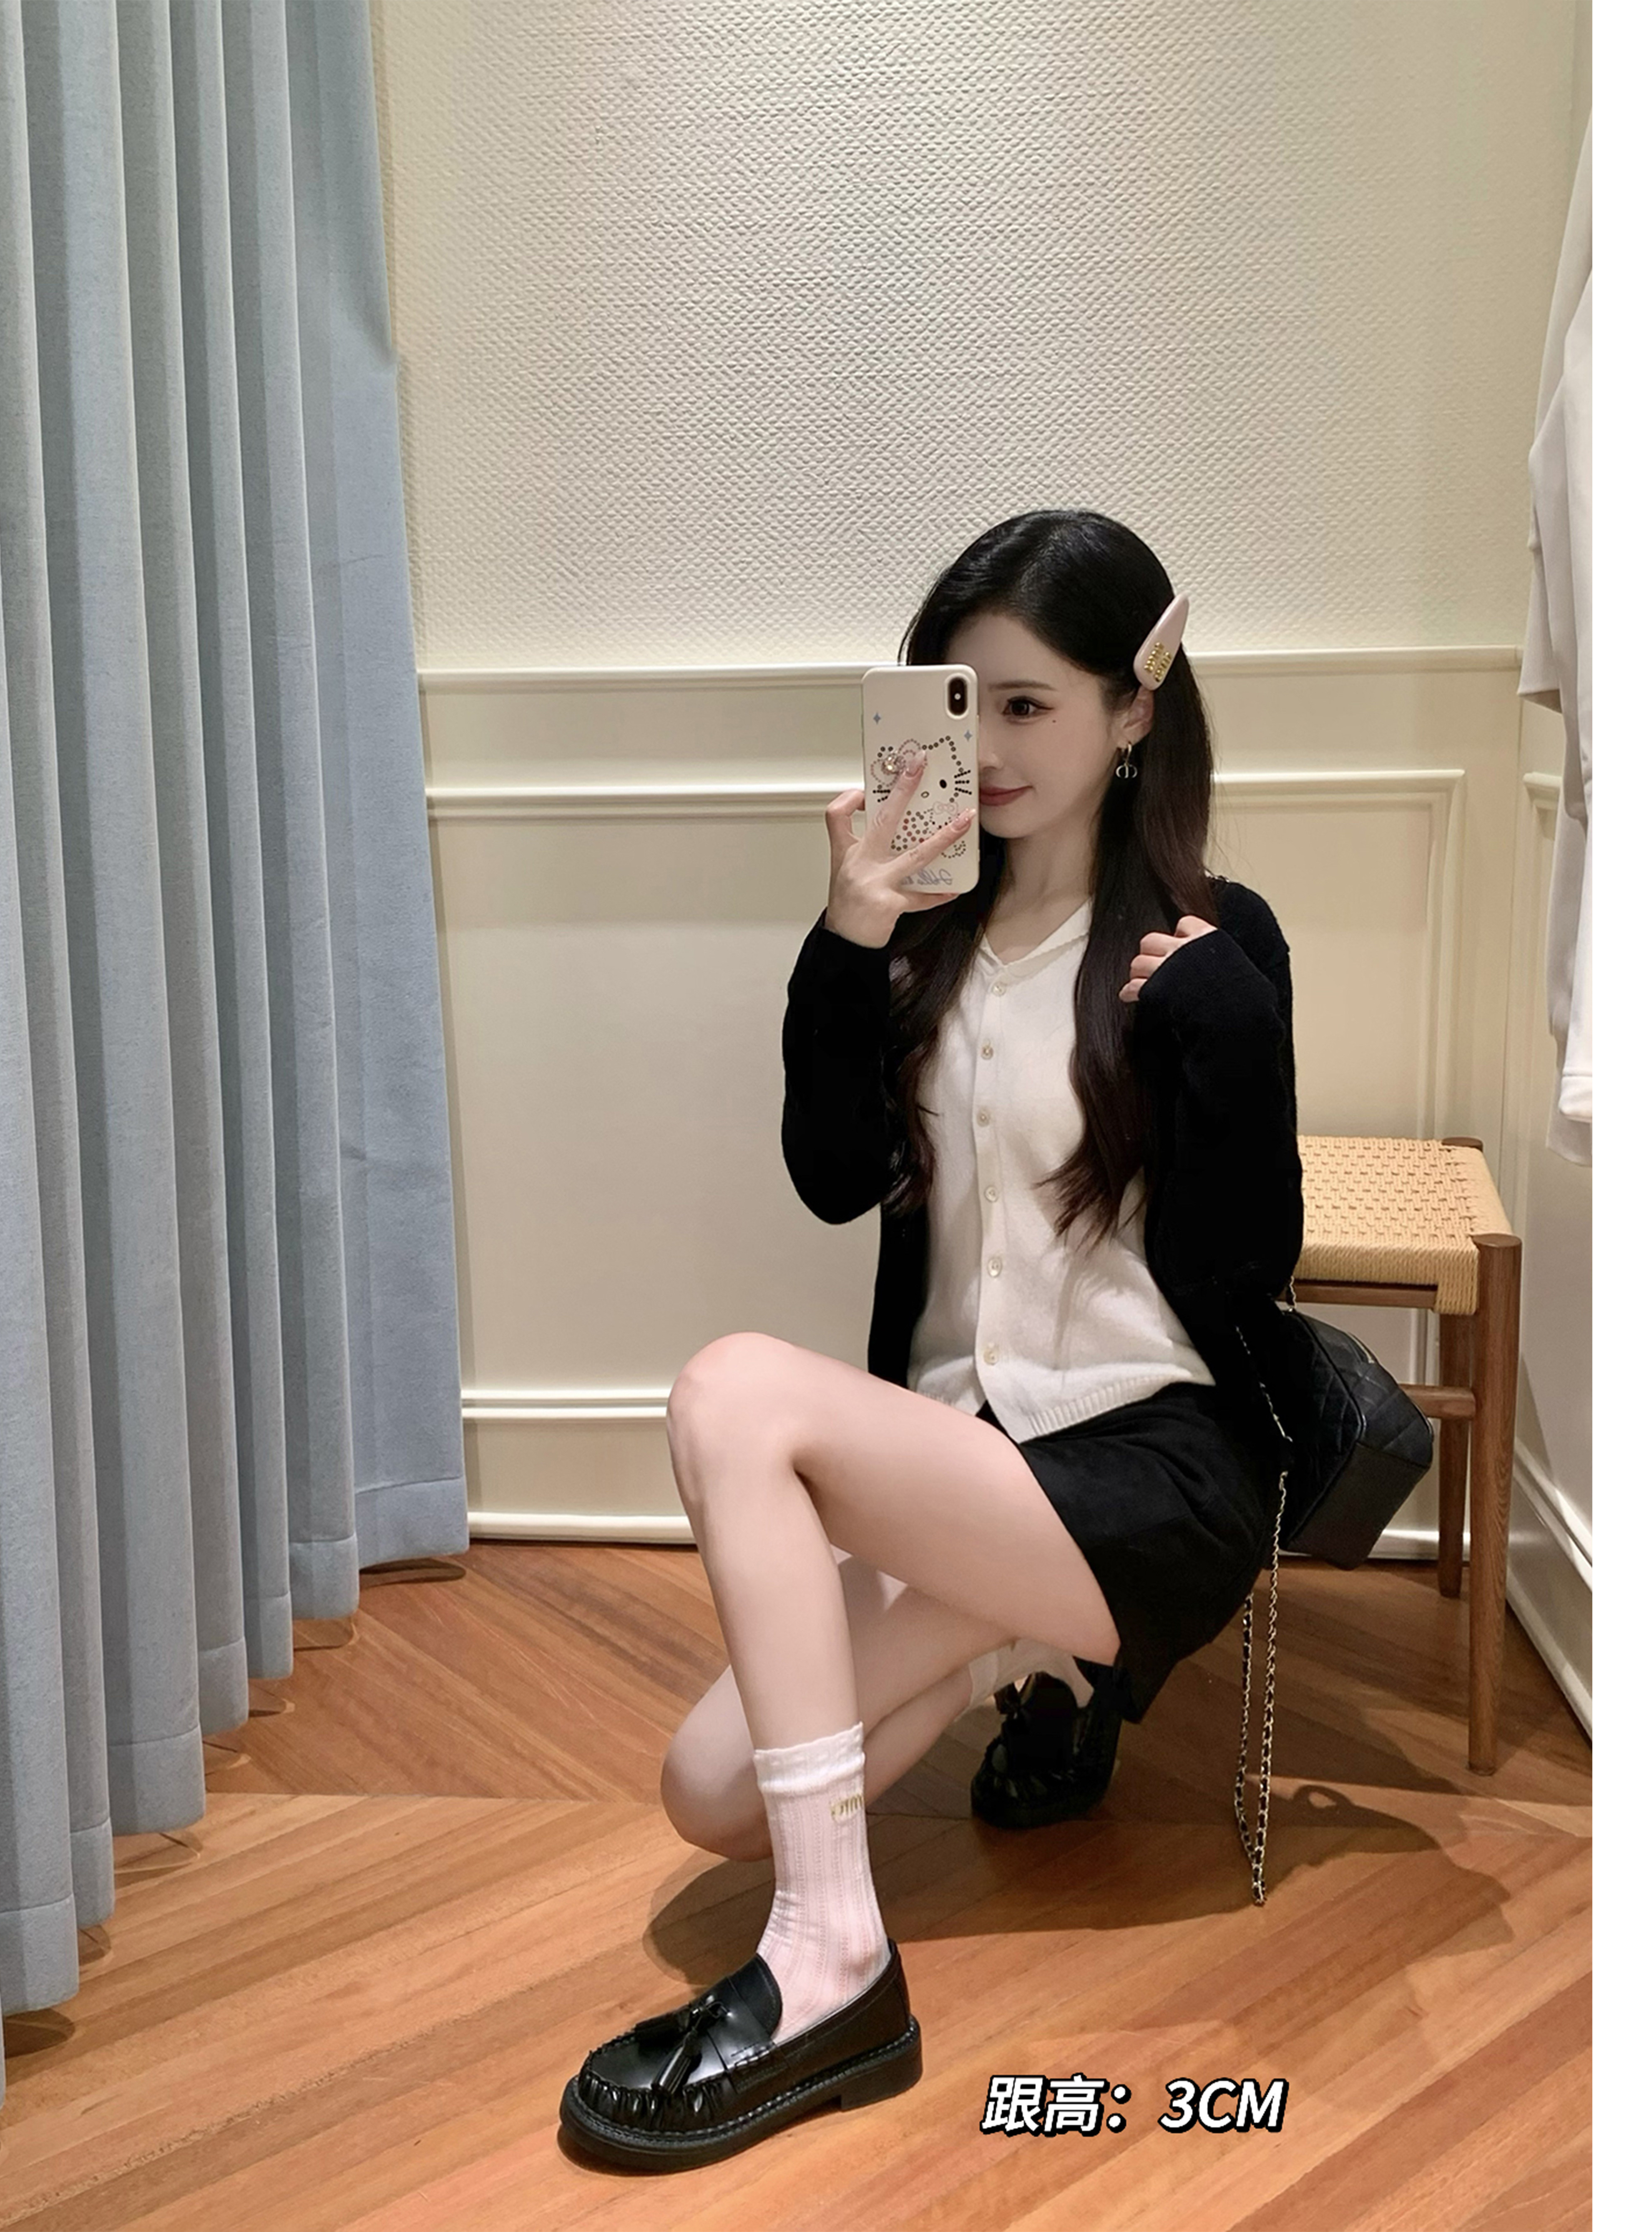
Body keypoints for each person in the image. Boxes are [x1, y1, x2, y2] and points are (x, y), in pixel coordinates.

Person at [558, 511, 1304, 2171]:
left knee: (734, 1393)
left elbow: (1247, 1275)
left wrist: (1234, 1040)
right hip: (972, 1468)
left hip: (1152, 1472)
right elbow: (834, 1179)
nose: (996, 746)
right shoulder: (918, 937)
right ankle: (1022, 1651)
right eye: (965, 705)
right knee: (708, 1793)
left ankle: (832, 1958)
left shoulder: (1212, 943)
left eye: (1031, 704)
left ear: (1133, 711)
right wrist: (847, 940)